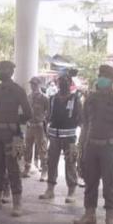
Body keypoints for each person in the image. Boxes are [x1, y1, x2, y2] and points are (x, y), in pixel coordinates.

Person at [74, 65, 113, 224]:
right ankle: (89, 214)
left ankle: (110, 218)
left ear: (111, 80)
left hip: (110, 147)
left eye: (104, 76)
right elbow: (86, 122)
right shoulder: (90, 99)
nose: (100, 78)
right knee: (90, 181)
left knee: (110, 182)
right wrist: (84, 144)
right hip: (92, 145)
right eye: (100, 75)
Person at [0, 60, 32, 216]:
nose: (1, 71)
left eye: (5, 69)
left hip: (12, 134)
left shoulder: (18, 90)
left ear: (11, 72)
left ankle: (17, 203)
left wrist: (15, 123)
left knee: (13, 168)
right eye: (0, 68)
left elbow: (28, 113)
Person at [40, 73, 82, 203]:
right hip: (54, 136)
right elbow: (48, 116)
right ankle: (50, 189)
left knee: (70, 163)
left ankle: (71, 191)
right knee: (51, 162)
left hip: (70, 137)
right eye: (60, 82)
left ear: (70, 84)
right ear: (57, 84)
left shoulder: (75, 99)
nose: (63, 84)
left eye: (66, 82)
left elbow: (80, 118)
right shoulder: (52, 99)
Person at [23, 76, 50, 181]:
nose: (32, 86)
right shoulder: (28, 97)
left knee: (42, 149)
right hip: (30, 126)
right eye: (31, 84)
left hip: (39, 126)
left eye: (34, 84)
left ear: (39, 84)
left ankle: (44, 171)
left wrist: (44, 122)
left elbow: (49, 112)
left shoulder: (44, 98)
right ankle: (27, 168)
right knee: (27, 148)